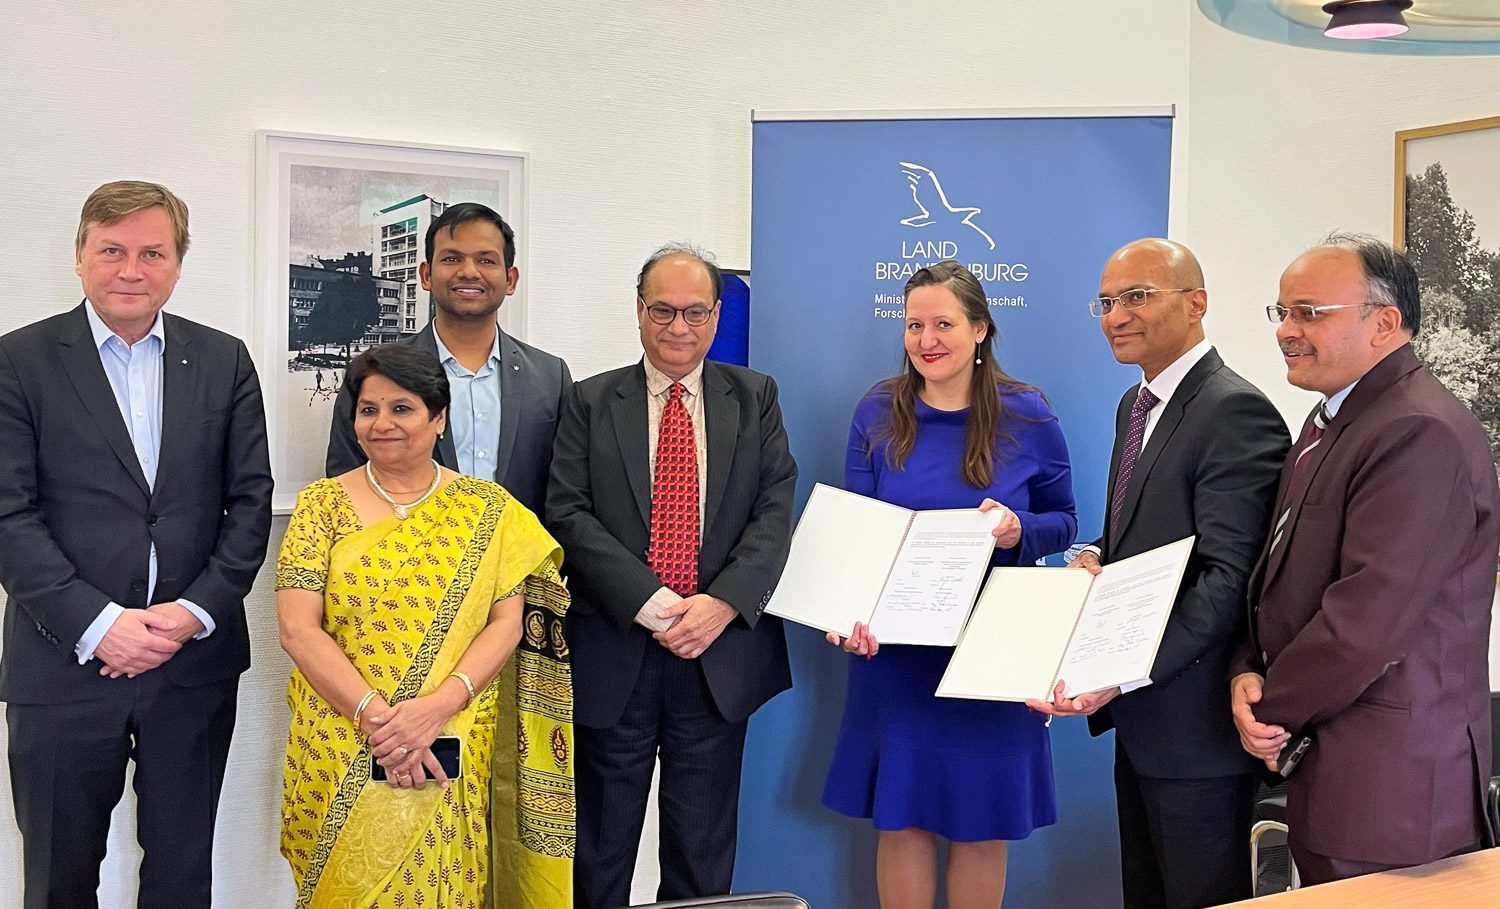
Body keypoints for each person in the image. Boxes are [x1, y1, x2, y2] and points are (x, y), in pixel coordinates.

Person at [0, 180, 273, 909]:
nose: (131, 268)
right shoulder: (18, 361)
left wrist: (192, 612)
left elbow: (249, 504)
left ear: (177, 264)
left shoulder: (225, 361)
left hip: (192, 665)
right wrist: (100, 625)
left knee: (182, 877)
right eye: (112, 250)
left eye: (152, 252)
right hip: (62, 664)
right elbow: (9, 515)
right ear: (80, 258)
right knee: (59, 878)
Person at [1026, 239, 1289, 909]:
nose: (1116, 315)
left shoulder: (1235, 411)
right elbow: (1150, 542)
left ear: (1196, 302)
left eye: (1137, 296)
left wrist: (1119, 669)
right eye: (1107, 302)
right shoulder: (1135, 406)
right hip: (1142, 728)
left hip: (1197, 733)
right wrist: (1095, 557)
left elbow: (1228, 580)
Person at [1231, 234, 1499, 885]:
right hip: (1337, 773)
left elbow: (1365, 623)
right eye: (1282, 313)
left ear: (1383, 322)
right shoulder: (1332, 419)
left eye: (1308, 312)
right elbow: (1281, 577)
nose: (1287, 331)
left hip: (1392, 793)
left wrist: (1271, 707)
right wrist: (1245, 669)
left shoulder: (1418, 430)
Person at [277, 344, 573, 908]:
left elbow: (507, 624)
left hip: (449, 734)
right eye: (368, 410)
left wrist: (432, 711)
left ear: (439, 418)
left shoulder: (489, 509)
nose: (382, 423)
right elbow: (297, 630)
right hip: (339, 740)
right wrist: (379, 721)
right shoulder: (320, 506)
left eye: (401, 408)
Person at [546, 243, 797, 907]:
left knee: (701, 852)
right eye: (662, 310)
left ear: (717, 316)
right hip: (615, 652)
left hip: (718, 658)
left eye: (694, 311)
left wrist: (718, 605)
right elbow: (566, 513)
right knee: (600, 851)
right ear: (638, 311)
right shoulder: (591, 400)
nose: (677, 327)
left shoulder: (757, 397)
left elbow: (774, 513)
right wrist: (653, 603)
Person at [824, 260, 1077, 909]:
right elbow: (860, 534)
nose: (927, 338)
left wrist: (1019, 528)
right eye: (914, 324)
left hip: (992, 652)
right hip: (897, 655)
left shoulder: (1028, 413)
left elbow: (1066, 520)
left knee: (981, 823)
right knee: (902, 820)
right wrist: (843, 612)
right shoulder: (878, 409)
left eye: (943, 323)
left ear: (981, 329)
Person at [327, 201, 571, 516]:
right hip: (405, 560)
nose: (469, 272)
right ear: (426, 275)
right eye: (452, 258)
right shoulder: (375, 374)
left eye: (486, 260)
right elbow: (345, 486)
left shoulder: (551, 376)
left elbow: (567, 494)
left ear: (510, 280)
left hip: (521, 562)